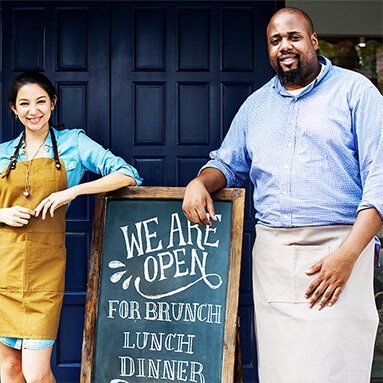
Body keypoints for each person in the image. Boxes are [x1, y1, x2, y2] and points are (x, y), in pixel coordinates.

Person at [182, 7, 383, 383]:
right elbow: (226, 164)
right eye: (275, 41)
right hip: (273, 255)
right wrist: (199, 182)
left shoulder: (356, 93)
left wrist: (349, 255)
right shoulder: (256, 106)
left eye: (293, 37)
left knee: (335, 368)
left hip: (340, 248)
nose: (284, 47)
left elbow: (381, 181)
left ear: (313, 41)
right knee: (281, 370)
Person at [0, 71, 142, 382]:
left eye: (40, 101)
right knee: (9, 370)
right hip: (3, 270)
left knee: (35, 374)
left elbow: (128, 174)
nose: (33, 110)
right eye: (24, 103)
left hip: (44, 271)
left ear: (53, 103)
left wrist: (73, 191)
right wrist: (1, 214)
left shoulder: (73, 144)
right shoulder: (2, 153)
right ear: (13, 109)